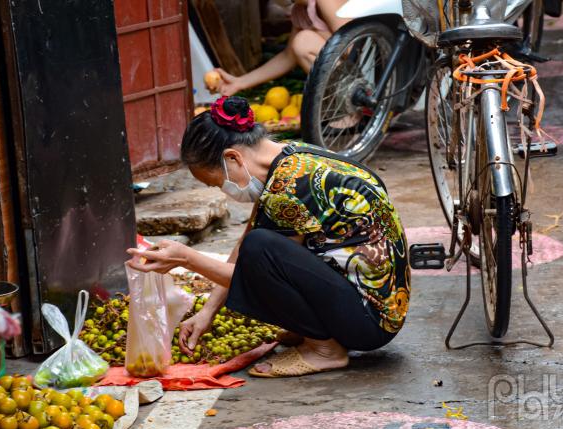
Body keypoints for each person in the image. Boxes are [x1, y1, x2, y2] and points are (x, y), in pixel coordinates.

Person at [127, 96, 411, 378]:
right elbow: (249, 240)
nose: (222, 190)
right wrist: (207, 312)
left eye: (216, 183)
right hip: (378, 308)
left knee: (260, 248)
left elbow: (259, 269)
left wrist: (186, 258)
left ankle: (325, 350)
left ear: (232, 158)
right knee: (258, 243)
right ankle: (318, 332)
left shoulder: (288, 184)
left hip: (369, 321)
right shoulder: (290, 157)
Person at [213, 0, 349, 96]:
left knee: (304, 40)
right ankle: (346, 103)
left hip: (364, 68)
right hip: (348, 72)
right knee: (302, 41)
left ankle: (353, 107)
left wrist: (316, 34)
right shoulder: (302, 9)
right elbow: (288, 57)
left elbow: (355, 44)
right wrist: (240, 82)